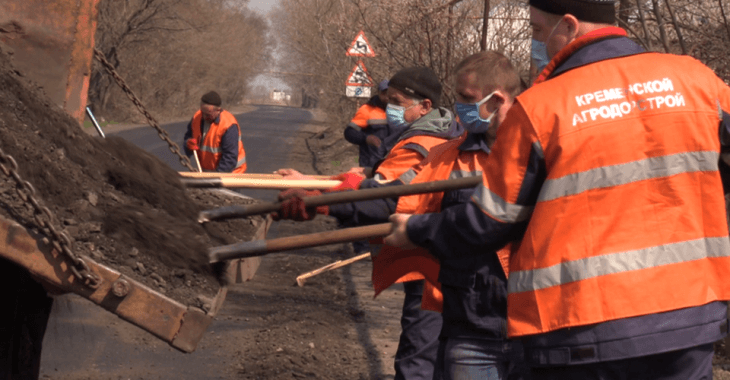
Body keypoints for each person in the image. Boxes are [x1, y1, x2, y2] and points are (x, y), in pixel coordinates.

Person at [385, 0, 730, 378]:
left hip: (581, 327)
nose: (536, 41)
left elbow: (489, 221)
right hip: (688, 319)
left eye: (536, 30)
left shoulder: (540, 107)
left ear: (567, 26)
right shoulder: (698, 80)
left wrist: (416, 230)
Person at [276, 66, 463, 380]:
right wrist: (311, 181)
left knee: (416, 364)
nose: (390, 108)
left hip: (431, 270)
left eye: (398, 102)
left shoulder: (423, 144)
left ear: (425, 106)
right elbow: (367, 178)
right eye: (389, 100)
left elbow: (383, 199)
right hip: (436, 263)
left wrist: (318, 204)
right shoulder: (430, 133)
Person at [372, 51, 529, 380]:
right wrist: (328, 199)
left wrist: (419, 229)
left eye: (466, 98)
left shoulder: (539, 150)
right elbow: (395, 199)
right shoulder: (447, 155)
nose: (458, 106)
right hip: (469, 324)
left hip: (534, 326)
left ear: (497, 98)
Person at [183, 91, 247, 173]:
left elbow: (230, 157)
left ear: (218, 110)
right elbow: (188, 136)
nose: (204, 116)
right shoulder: (197, 117)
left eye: (208, 114)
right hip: (208, 172)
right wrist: (188, 144)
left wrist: (216, 178)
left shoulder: (228, 125)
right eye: (203, 112)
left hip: (231, 172)